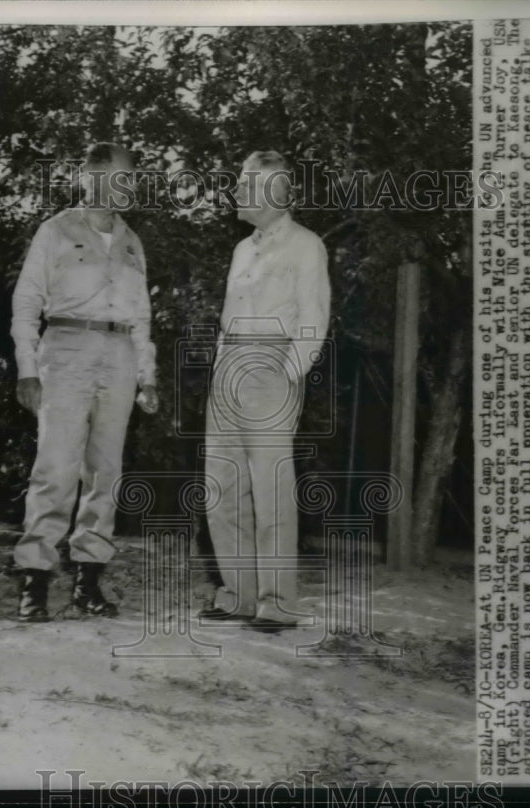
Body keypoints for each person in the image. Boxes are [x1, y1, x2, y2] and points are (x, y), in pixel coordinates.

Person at [10, 142, 159, 622]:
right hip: (67, 351)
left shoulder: (133, 242)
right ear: (93, 180)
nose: (130, 187)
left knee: (105, 472)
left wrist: (146, 376)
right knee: (55, 468)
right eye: (122, 178)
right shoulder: (56, 231)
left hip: (118, 358)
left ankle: (88, 584)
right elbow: (26, 303)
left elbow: (141, 317)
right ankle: (34, 581)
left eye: (132, 179)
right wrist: (27, 369)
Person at [200, 150, 331, 633]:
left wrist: (288, 376)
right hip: (228, 367)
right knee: (222, 487)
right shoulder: (242, 249)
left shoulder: (305, 245)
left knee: (271, 489)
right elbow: (227, 319)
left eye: (246, 184)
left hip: (271, 368)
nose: (236, 191)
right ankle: (237, 596)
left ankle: (277, 603)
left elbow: (314, 318)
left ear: (274, 193)